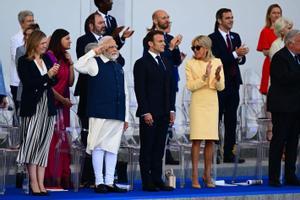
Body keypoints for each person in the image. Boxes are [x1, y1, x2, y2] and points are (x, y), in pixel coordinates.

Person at [75, 12, 124, 187]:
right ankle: (100, 181)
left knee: (112, 148)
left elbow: (123, 91)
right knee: (98, 146)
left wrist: (125, 116)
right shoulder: (94, 63)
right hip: (99, 112)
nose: (115, 48)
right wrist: (93, 52)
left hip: (116, 113)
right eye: (111, 46)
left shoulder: (118, 66)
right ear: (103, 48)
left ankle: (110, 182)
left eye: (115, 46)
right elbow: (78, 65)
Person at [16, 30, 59, 195]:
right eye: (42, 44)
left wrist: (52, 74)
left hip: (47, 107)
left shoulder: (47, 58)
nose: (45, 47)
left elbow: (51, 82)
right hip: (32, 107)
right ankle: (34, 183)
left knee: (43, 146)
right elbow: (29, 83)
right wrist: (48, 76)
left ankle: (41, 183)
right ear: (34, 43)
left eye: (45, 44)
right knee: (31, 145)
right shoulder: (24, 61)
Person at [134, 30, 176, 191]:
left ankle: (157, 179)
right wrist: (145, 111)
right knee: (148, 148)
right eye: (160, 41)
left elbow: (170, 88)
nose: (164, 43)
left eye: (163, 41)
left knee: (159, 148)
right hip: (150, 113)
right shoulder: (141, 63)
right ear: (150, 44)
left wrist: (171, 109)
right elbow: (140, 90)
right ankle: (147, 181)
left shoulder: (166, 60)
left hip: (164, 112)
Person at [209, 8, 249, 163]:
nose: (231, 20)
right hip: (219, 84)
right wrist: (235, 54)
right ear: (219, 20)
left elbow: (241, 59)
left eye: (232, 17)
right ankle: (215, 153)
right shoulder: (211, 38)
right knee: (216, 119)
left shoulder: (235, 36)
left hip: (233, 82)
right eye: (227, 18)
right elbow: (217, 59)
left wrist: (239, 57)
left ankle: (229, 153)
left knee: (231, 120)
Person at [186, 35, 224, 188]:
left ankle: (207, 174)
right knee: (196, 140)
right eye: (193, 48)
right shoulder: (190, 63)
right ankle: (194, 174)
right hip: (198, 103)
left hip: (212, 103)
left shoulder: (217, 62)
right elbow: (191, 86)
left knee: (210, 140)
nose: (195, 51)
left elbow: (221, 87)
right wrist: (205, 76)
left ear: (206, 48)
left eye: (197, 47)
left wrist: (216, 77)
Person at [147, 9, 184, 165]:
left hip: (170, 82)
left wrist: (175, 48)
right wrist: (170, 48)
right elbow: (157, 59)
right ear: (155, 21)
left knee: (169, 117)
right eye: (164, 17)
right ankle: (156, 153)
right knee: (158, 118)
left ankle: (166, 150)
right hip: (157, 86)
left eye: (168, 17)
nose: (167, 19)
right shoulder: (150, 39)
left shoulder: (169, 38)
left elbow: (174, 61)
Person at [267, 29, 300, 187]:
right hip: (282, 106)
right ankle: (274, 177)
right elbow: (283, 79)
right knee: (279, 141)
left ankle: (290, 174)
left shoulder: (298, 58)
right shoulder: (280, 57)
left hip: (296, 106)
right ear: (290, 43)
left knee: (293, 141)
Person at [44, 29, 74, 189]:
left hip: (65, 105)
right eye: (67, 38)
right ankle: (49, 178)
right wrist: (62, 100)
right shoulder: (49, 56)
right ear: (58, 40)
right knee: (52, 142)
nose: (70, 41)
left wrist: (71, 64)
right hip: (52, 103)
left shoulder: (64, 57)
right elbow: (48, 85)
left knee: (63, 141)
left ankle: (62, 178)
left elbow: (70, 82)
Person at [10, 10, 34, 119]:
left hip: (32, 82)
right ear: (21, 23)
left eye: (33, 20)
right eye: (29, 21)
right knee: (20, 115)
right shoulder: (16, 39)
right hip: (18, 82)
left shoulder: (36, 38)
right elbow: (18, 60)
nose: (32, 23)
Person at [257, 4, 282, 95]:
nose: (276, 15)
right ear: (269, 15)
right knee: (270, 94)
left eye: (279, 13)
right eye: (274, 13)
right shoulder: (265, 31)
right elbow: (265, 51)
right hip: (271, 64)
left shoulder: (285, 31)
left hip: (285, 65)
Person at [15, 23, 40, 106]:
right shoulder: (21, 50)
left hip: (40, 92)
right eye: (26, 35)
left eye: (30, 35)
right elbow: (21, 73)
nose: (27, 37)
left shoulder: (42, 51)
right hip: (25, 91)